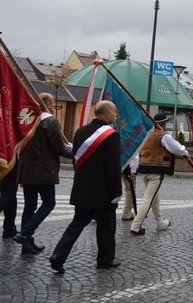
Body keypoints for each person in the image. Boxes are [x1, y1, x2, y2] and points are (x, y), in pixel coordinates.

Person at [49, 100, 122, 274]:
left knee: (76, 225)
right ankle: (105, 259)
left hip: (82, 190)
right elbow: (112, 167)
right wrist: (116, 191)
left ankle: (58, 256)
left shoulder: (81, 131)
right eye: (115, 112)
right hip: (103, 192)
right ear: (108, 114)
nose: (116, 115)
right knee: (107, 226)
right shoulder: (111, 135)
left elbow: (76, 158)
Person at [14, 93, 73, 254]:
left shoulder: (28, 120)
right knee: (49, 203)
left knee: (30, 206)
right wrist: (75, 151)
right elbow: (58, 148)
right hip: (43, 171)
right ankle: (25, 233)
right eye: (52, 103)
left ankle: (27, 244)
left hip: (27, 170)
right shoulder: (50, 121)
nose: (53, 106)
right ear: (46, 103)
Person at [130, 113, 192, 235]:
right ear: (163, 123)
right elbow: (177, 148)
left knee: (154, 197)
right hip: (156, 170)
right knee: (148, 199)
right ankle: (136, 225)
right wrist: (185, 152)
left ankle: (160, 222)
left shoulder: (147, 134)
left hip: (145, 168)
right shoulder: (164, 136)